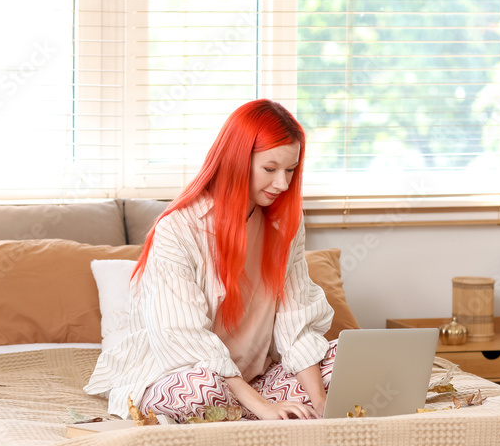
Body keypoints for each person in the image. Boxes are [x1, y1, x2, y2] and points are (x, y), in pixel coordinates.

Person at [84, 99, 337, 422]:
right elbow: (185, 338)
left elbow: (295, 319)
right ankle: (250, 410)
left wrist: (321, 403)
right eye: (270, 169)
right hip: (182, 372)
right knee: (201, 389)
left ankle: (246, 411)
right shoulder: (177, 228)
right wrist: (263, 406)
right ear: (236, 161)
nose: (282, 184)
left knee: (349, 360)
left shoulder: (285, 221)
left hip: (255, 378)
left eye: (290, 170)